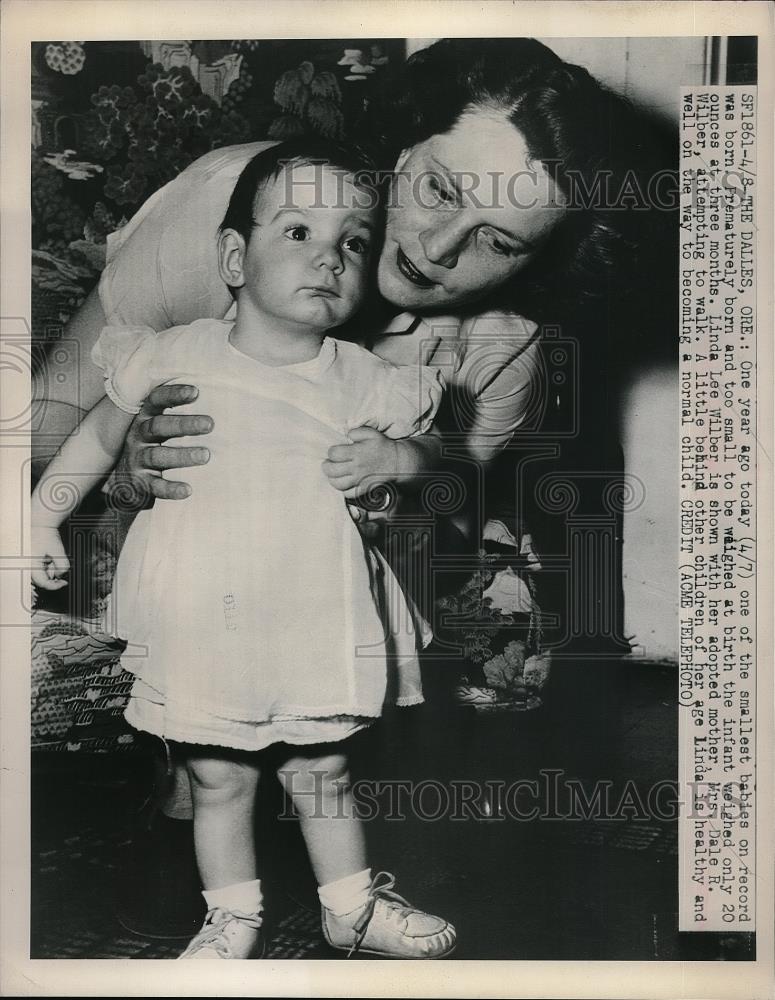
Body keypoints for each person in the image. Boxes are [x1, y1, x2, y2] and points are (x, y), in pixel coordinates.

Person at [33, 38, 654, 947]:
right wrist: (107, 484)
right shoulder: (240, 204)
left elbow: (415, 545)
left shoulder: (497, 349)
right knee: (177, 827)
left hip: (304, 582)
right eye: (440, 190)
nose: (437, 251)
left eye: (498, 240)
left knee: (303, 774)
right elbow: (51, 416)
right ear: (402, 148)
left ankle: (331, 889)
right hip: (145, 537)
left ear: (537, 261)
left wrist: (398, 486)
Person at [31, 139, 457, 960]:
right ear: (234, 255)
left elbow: (432, 456)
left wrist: (397, 460)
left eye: (353, 242)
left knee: (323, 769)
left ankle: (350, 907)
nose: (329, 257)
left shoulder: (366, 375)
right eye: (297, 232)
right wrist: (39, 518)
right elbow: (93, 435)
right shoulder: (173, 351)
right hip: (204, 609)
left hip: (314, 606)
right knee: (219, 777)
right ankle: (232, 918)